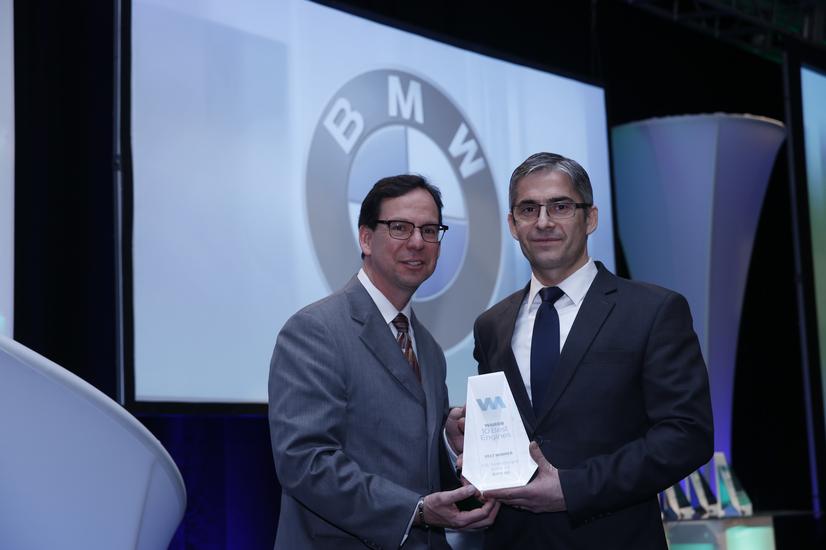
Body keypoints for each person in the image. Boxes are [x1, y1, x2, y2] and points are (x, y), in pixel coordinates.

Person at [473, 153, 713, 549]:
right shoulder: (491, 325)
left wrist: (573, 488)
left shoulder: (652, 311)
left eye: (560, 206)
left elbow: (687, 435)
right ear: (513, 224)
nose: (543, 221)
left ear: (591, 218)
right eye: (529, 209)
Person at [269, 174, 499, 550]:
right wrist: (415, 511)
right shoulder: (314, 330)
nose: (417, 242)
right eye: (399, 227)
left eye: (429, 230)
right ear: (365, 238)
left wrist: (447, 442)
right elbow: (304, 462)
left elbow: (415, 466)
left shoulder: (428, 348)